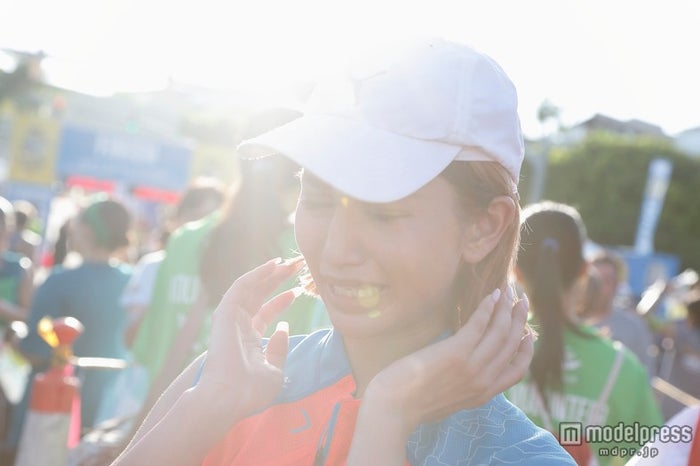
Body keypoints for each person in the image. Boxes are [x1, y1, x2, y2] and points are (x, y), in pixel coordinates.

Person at [113, 38, 573, 465]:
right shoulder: (229, 383)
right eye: (316, 199)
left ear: (485, 227)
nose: (336, 249)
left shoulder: (516, 456)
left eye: (383, 212)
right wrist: (209, 403)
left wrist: (388, 415)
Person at [506, 201, 663, 465]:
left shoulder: (490, 350)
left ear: (515, 271)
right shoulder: (623, 368)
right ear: (583, 270)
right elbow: (659, 456)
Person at [13, 196, 133, 445]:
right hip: (107, 412)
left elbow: (34, 350)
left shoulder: (60, 281)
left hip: (49, 413)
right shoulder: (134, 283)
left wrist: (13, 336)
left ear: (88, 229)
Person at [585, 250, 657, 377]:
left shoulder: (634, 328)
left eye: (606, 281)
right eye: (594, 279)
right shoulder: (568, 321)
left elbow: (644, 377)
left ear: (617, 285)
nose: (598, 286)